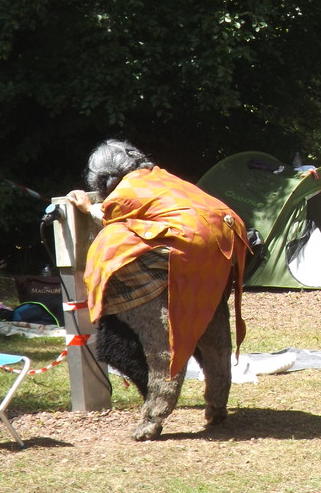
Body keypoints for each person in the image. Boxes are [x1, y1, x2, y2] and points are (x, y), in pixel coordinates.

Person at [66, 139, 250, 439]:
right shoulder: (162, 177)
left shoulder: (130, 187)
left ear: (106, 179)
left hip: (191, 241)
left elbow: (111, 215)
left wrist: (87, 207)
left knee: (160, 335)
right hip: (226, 236)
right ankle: (217, 405)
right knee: (212, 318)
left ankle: (154, 416)